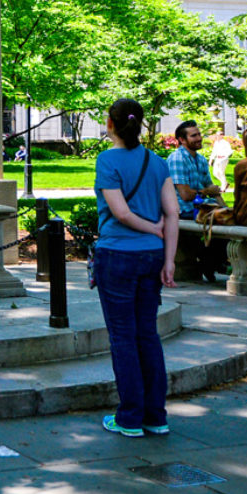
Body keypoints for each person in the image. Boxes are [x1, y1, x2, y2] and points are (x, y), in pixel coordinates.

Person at [92, 98, 179, 437]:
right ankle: (156, 416)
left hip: (117, 256)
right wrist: (168, 258)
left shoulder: (107, 160)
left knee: (123, 337)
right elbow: (172, 213)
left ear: (110, 124)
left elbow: (121, 213)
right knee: (147, 335)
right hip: (152, 258)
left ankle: (129, 418)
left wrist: (150, 228)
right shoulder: (157, 162)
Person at [168, 120, 222, 282]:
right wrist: (206, 192)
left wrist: (227, 209)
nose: (199, 138)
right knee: (221, 233)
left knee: (231, 227)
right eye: (194, 135)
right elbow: (184, 194)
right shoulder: (177, 158)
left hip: (200, 210)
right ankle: (207, 263)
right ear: (182, 140)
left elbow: (211, 187)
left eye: (199, 134)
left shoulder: (200, 160)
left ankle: (208, 263)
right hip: (182, 211)